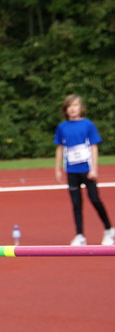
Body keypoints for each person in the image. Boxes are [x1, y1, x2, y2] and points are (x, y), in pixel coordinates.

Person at [54, 94, 115, 246]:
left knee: (94, 199)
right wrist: (57, 169)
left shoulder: (88, 125)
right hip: (72, 171)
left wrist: (94, 169)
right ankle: (80, 235)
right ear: (65, 109)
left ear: (81, 108)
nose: (73, 109)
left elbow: (93, 147)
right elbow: (60, 148)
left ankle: (109, 229)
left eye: (75, 105)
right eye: (70, 106)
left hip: (87, 170)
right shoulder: (62, 127)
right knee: (76, 203)